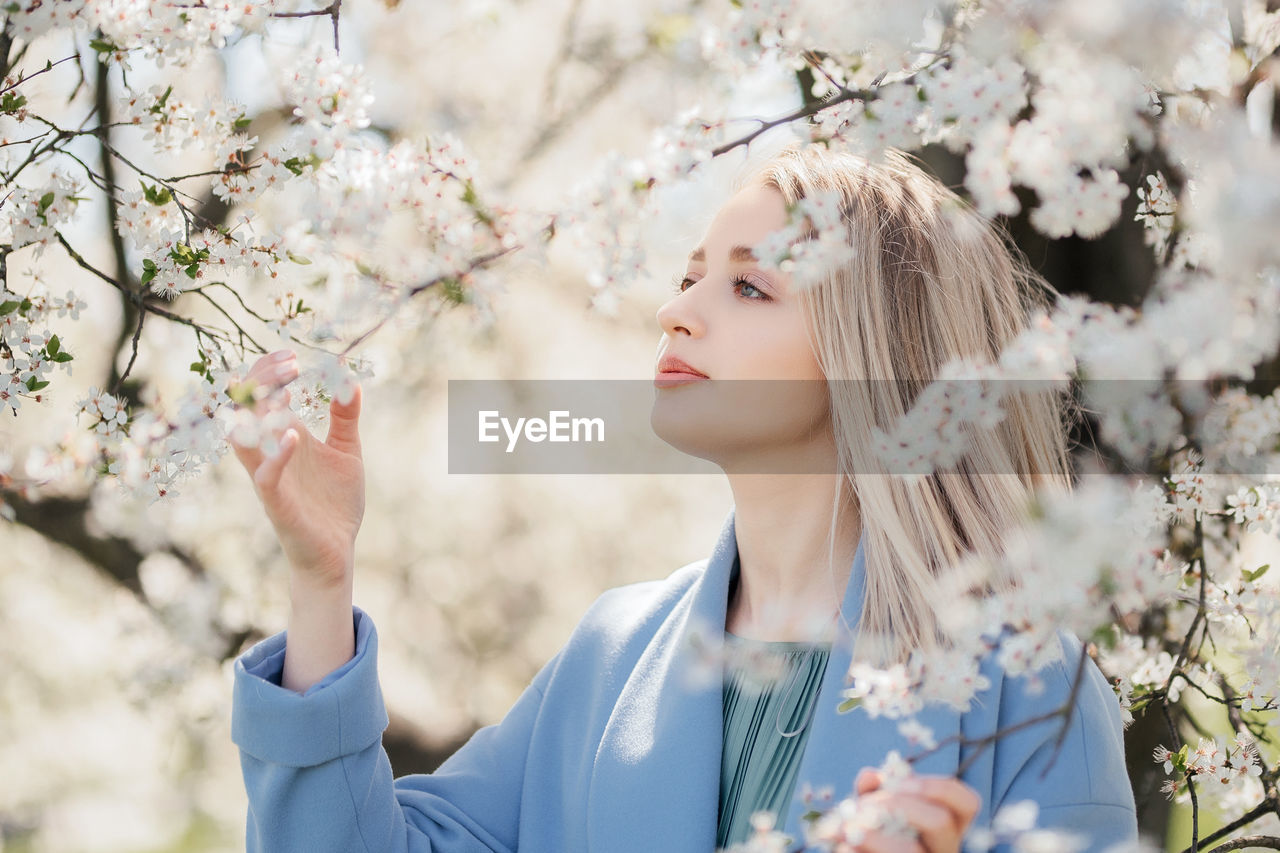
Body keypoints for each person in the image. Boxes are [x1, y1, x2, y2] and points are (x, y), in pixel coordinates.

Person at [228, 143, 1138, 853]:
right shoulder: (611, 657)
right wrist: (322, 578)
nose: (680, 311)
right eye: (688, 276)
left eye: (749, 284)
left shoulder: (1028, 688)